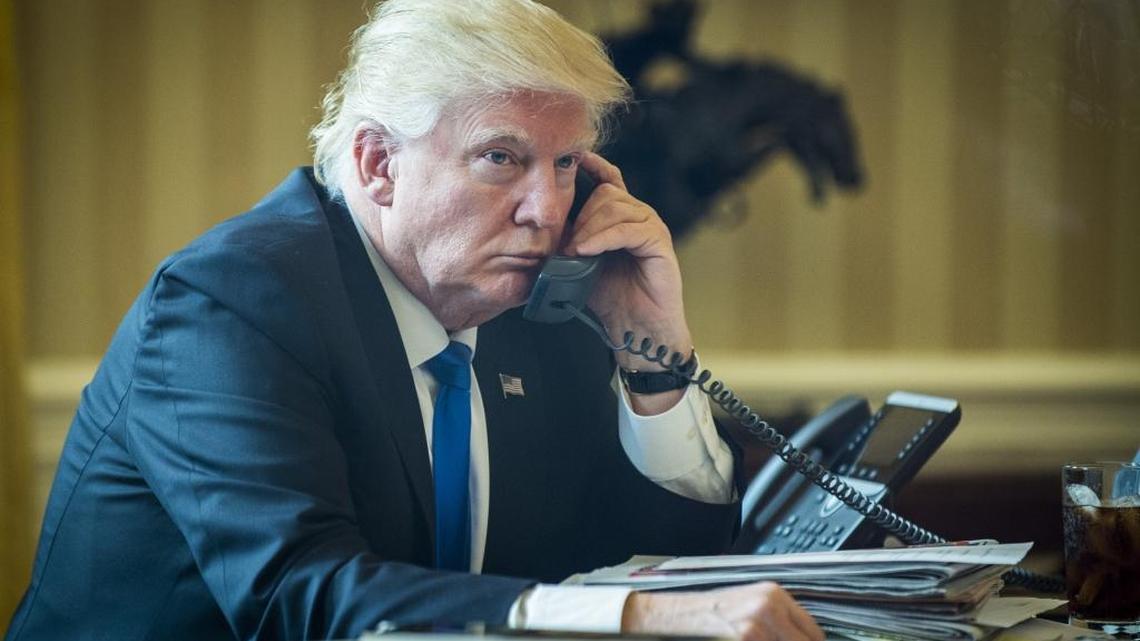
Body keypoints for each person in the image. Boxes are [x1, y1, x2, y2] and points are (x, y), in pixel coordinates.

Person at [5, 2, 824, 641]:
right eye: (501, 157)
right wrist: (631, 619)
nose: (546, 209)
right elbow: (305, 599)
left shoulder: (539, 309)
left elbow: (669, 571)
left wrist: (653, 362)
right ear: (377, 163)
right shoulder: (232, 302)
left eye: (567, 163)